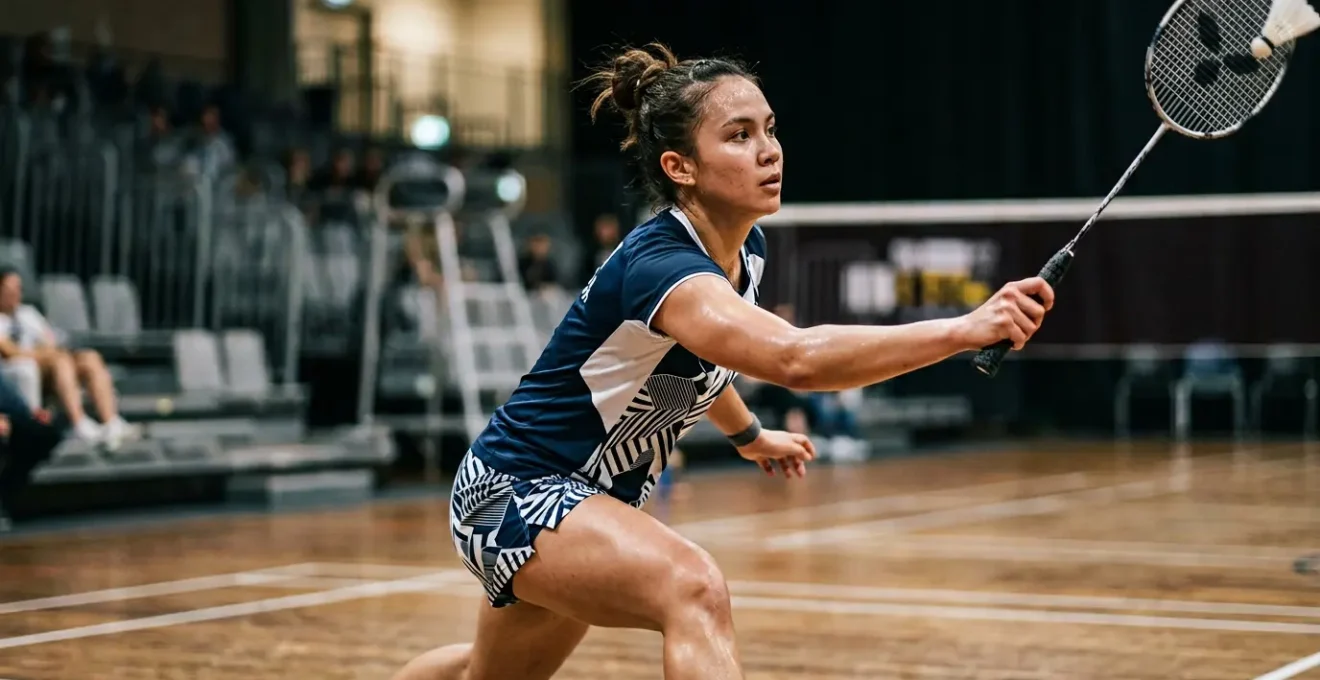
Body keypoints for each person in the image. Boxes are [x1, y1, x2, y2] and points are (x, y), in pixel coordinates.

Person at [393, 43, 1053, 680]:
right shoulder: (662, 266)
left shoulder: (746, 251)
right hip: (519, 489)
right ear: (681, 167)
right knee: (693, 588)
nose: (768, 150)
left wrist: (748, 434)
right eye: (738, 136)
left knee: (485, 675)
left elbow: (697, 365)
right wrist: (964, 329)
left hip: (590, 497)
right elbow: (794, 359)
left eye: (769, 129)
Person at [0, 269, 139, 449]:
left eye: (19, 288)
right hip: (16, 371)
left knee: (90, 358)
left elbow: (50, 340)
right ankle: (78, 423)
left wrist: (46, 352)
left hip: (46, 364)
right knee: (61, 361)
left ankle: (111, 422)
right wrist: (45, 354)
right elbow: (10, 352)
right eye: (10, 288)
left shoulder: (29, 313)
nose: (16, 293)